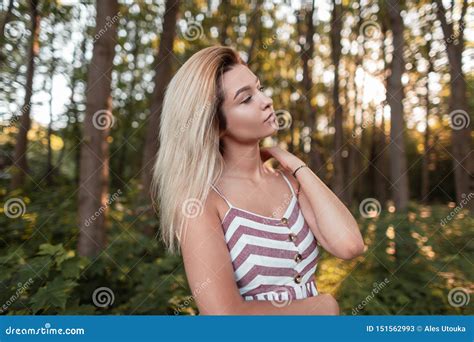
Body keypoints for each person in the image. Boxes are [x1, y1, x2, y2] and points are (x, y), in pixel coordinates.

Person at [152, 46, 364, 315]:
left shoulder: (290, 181)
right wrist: (323, 306)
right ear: (215, 125)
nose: (266, 100)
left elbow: (350, 245)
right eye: (246, 99)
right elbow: (225, 317)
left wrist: (297, 166)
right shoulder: (202, 202)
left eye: (260, 88)